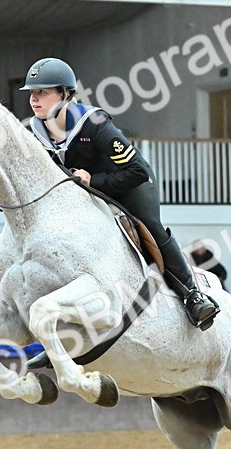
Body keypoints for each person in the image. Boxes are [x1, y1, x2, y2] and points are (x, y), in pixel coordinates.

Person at [22, 57, 219, 330]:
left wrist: (94, 181)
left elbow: (136, 170)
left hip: (129, 185)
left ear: (65, 95)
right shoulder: (33, 131)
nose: (34, 99)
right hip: (82, 196)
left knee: (151, 226)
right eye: (32, 93)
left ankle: (193, 296)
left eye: (42, 92)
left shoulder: (94, 123)